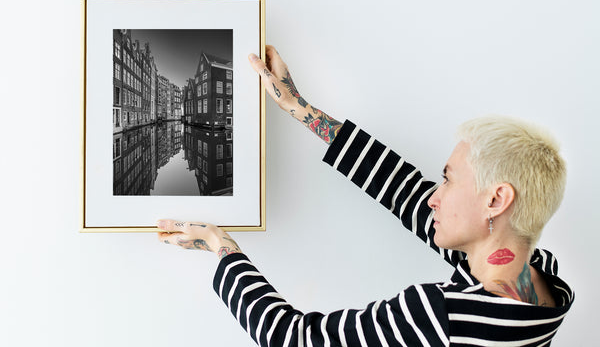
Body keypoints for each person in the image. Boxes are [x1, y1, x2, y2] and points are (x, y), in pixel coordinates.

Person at [157, 46, 574, 346]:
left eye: (447, 180)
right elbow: (403, 191)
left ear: (497, 200)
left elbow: (295, 338)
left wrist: (221, 245)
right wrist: (300, 108)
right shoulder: (539, 280)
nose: (434, 196)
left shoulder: (444, 318)